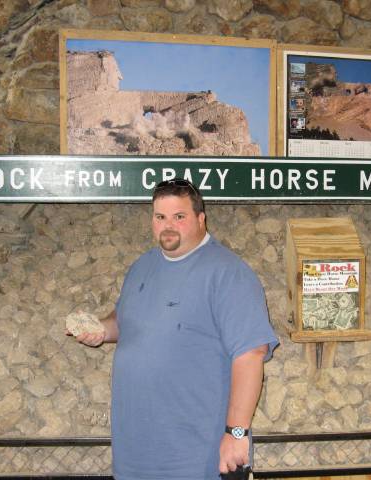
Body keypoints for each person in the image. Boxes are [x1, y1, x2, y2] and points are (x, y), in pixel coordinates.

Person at [72, 178, 278, 480]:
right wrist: (100, 330)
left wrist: (236, 434)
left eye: (179, 217)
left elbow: (250, 354)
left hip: (195, 457)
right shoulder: (142, 266)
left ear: (200, 219)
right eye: (160, 217)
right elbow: (123, 321)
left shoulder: (228, 273)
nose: (168, 226)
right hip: (135, 454)